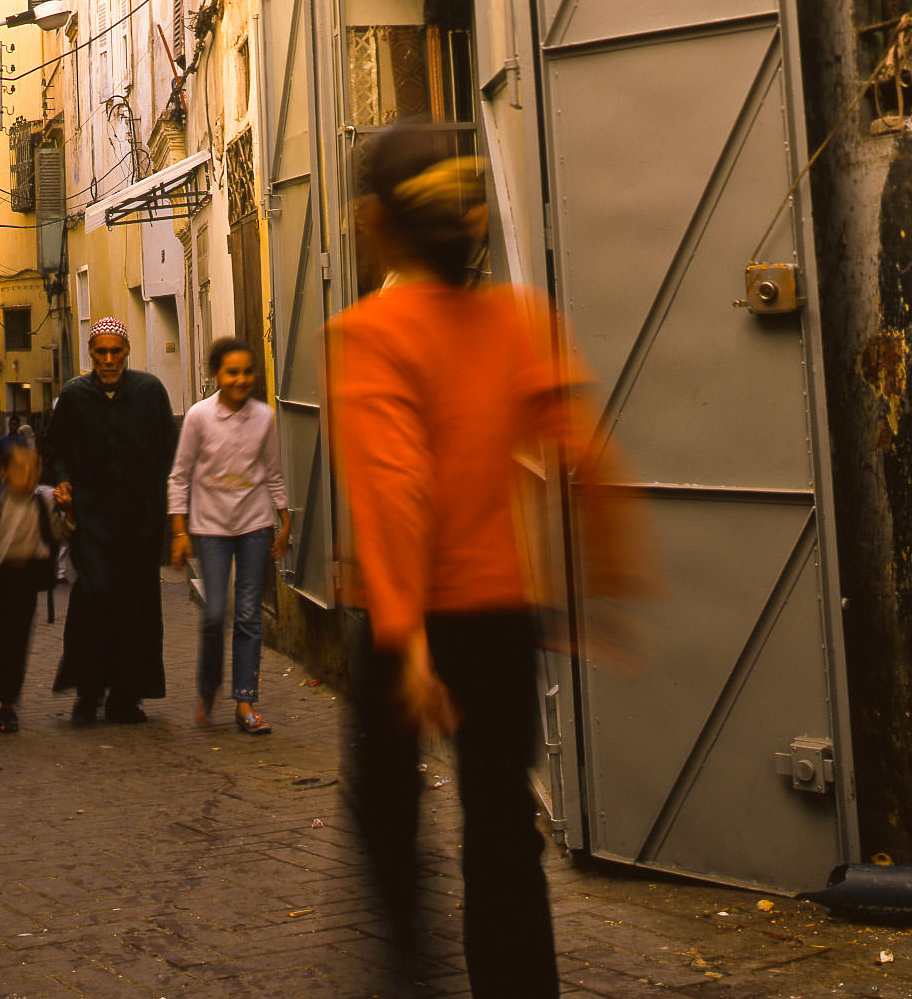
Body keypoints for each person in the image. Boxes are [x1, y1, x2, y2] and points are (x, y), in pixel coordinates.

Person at [325, 127, 648, 995]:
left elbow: (396, 494)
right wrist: (603, 587)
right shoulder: (518, 322)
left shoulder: (368, 335)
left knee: (387, 812)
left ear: (376, 225)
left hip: (412, 621)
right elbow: (588, 460)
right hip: (503, 617)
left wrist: (408, 641)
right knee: (501, 829)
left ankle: (410, 971)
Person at [43, 317, 178, 724]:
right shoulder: (74, 396)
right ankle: (88, 693)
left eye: (114, 351)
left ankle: (125, 697)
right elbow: (56, 450)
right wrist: (64, 482)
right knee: (93, 601)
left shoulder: (150, 393)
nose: (107, 359)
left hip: (140, 526)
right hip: (92, 524)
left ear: (127, 352)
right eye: (100, 352)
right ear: (90, 354)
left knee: (135, 608)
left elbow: (171, 454)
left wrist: (171, 515)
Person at [168, 336, 291, 734]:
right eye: (231, 372)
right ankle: (207, 688)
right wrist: (180, 531)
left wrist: (285, 521)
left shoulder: (264, 417)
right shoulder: (199, 417)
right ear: (217, 374)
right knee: (215, 612)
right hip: (211, 529)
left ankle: (244, 703)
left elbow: (272, 472)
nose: (240, 380)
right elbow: (179, 476)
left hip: (255, 526)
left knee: (249, 616)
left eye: (246, 372)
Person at [0, 437, 62, 732]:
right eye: (20, 469)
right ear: (4, 472)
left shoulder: (42, 504)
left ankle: (8, 701)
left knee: (18, 640)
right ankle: (0, 680)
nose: (28, 476)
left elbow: (58, 534)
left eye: (33, 469)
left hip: (25, 581)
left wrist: (68, 514)